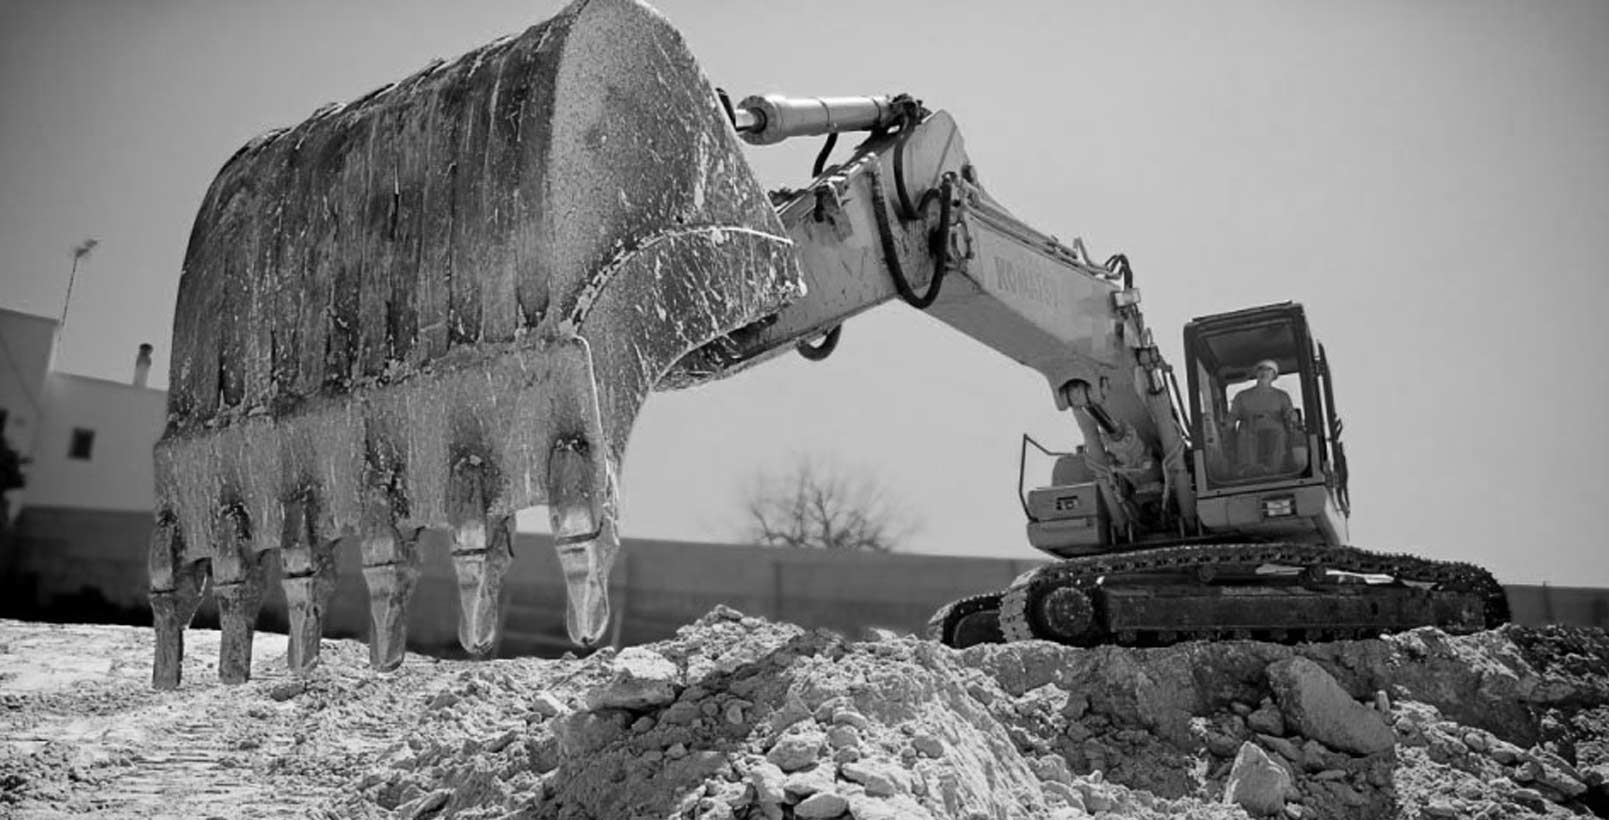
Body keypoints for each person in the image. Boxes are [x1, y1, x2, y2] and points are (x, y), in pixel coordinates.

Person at [1230, 359, 1295, 475]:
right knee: (1245, 432)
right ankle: (1248, 469)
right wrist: (1227, 424)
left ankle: (1274, 470)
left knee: (1279, 433)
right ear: (1256, 373)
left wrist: (1292, 418)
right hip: (1249, 430)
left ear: (1274, 375)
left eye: (1269, 369)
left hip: (1274, 431)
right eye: (1261, 369)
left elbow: (1290, 415)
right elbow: (1232, 416)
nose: (1264, 372)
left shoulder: (1281, 396)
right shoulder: (1242, 396)